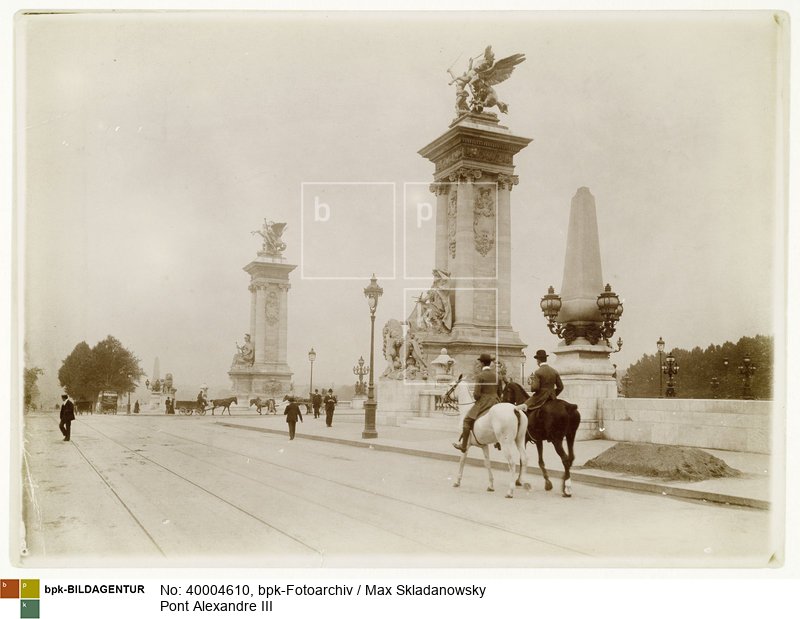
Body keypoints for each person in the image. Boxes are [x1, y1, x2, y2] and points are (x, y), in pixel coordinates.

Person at [453, 353, 500, 453]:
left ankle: (464, 446)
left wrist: (478, 397)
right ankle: (498, 442)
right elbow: (500, 392)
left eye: (480, 362)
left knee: (466, 420)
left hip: (484, 403)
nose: (479, 364)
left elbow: (476, 395)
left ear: (482, 363)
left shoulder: (480, 376)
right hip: (496, 402)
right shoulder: (497, 376)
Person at [515, 349, 563, 430]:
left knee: (523, 406)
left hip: (540, 397)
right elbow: (560, 387)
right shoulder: (554, 371)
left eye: (537, 360)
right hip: (552, 397)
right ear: (545, 359)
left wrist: (532, 384)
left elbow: (535, 388)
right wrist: (553, 393)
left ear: (538, 360)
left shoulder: (538, 372)